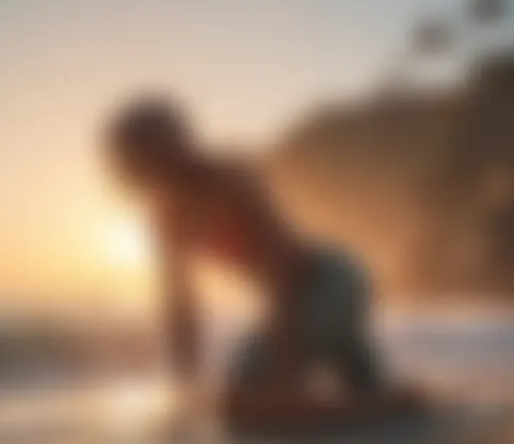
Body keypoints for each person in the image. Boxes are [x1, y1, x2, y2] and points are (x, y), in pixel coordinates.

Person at [103, 93, 381, 414]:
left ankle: (344, 349)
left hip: (331, 279)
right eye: (138, 158)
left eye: (154, 153)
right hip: (295, 297)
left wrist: (285, 376)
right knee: (240, 386)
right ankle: (347, 351)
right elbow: (180, 305)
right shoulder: (164, 218)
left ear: (177, 145)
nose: (149, 168)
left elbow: (281, 274)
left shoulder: (232, 179)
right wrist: (185, 385)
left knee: (257, 383)